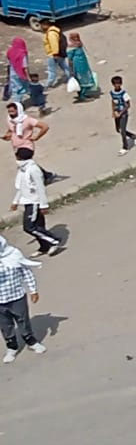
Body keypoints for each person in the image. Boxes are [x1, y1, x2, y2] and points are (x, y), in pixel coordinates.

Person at [0, 234, 45, 362]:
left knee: (22, 320)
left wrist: (33, 291)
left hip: (17, 297)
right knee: (5, 325)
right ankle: (12, 347)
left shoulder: (13, 256)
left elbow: (27, 273)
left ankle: (31, 341)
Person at [12, 147, 60, 256]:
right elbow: (21, 187)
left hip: (34, 202)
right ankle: (44, 246)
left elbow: (40, 187)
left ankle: (54, 241)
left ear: (18, 156)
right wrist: (15, 201)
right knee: (39, 225)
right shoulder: (22, 169)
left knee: (29, 227)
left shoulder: (33, 169)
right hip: (27, 201)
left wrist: (43, 205)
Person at [109, 75, 136, 155]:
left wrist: (121, 113)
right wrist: (113, 112)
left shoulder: (124, 94)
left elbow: (128, 105)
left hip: (123, 114)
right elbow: (113, 102)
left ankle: (125, 147)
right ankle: (134, 136)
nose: (117, 85)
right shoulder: (112, 93)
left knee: (123, 131)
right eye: (115, 84)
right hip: (117, 113)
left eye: (119, 83)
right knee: (118, 130)